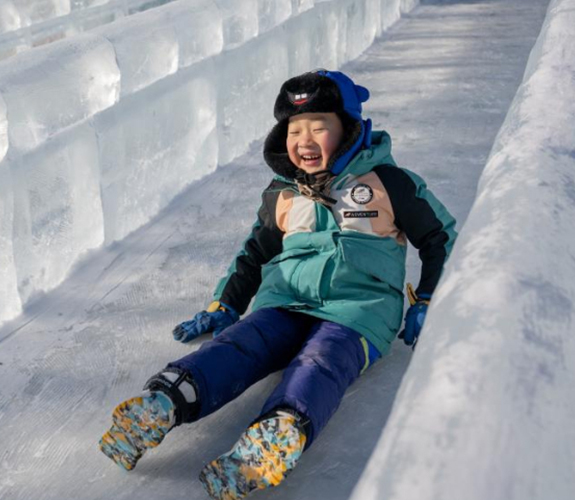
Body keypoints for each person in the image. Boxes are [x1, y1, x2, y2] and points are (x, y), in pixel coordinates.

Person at [97, 70, 457, 500]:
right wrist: (224, 305)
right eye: (294, 129)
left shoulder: (386, 183)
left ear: (348, 130)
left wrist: (431, 297)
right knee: (239, 345)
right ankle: (166, 400)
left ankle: (276, 435)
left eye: (318, 128)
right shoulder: (284, 192)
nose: (304, 140)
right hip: (285, 301)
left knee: (322, 363)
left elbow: (441, 237)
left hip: (358, 313)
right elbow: (255, 252)